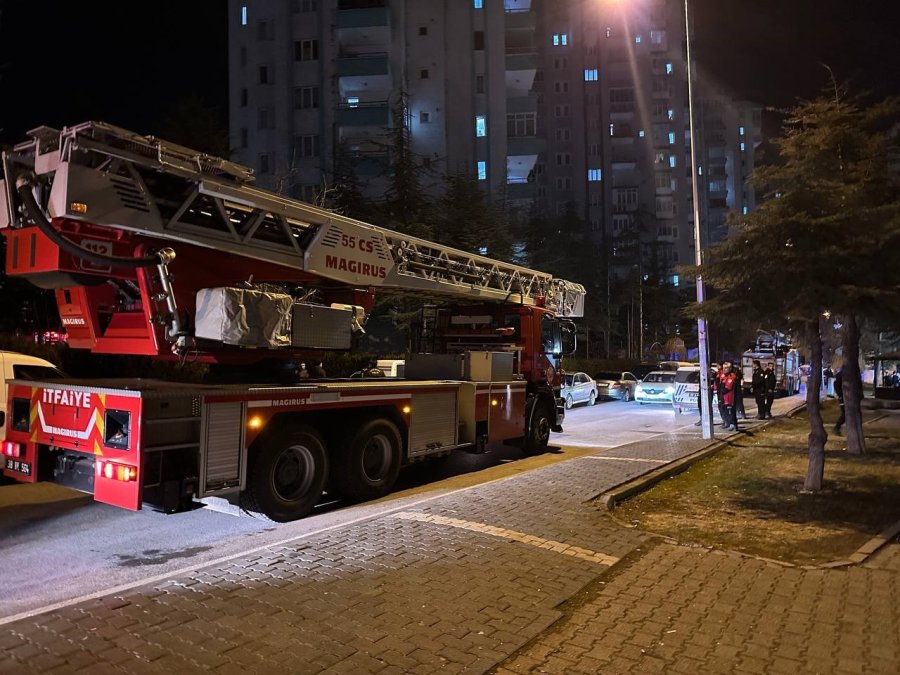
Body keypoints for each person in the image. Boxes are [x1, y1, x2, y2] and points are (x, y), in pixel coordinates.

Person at [716, 361, 738, 431]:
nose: (724, 370)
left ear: (730, 368)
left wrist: (721, 390)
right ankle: (728, 423)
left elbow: (727, 388)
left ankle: (733, 425)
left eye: (726, 368)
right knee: (724, 410)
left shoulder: (731, 376)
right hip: (723, 397)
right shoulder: (724, 376)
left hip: (729, 397)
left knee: (730, 411)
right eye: (723, 368)